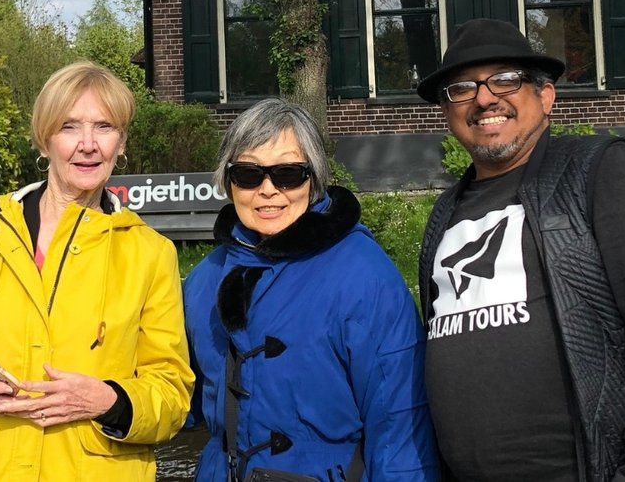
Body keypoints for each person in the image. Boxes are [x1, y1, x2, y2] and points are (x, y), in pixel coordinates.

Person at [413, 19, 625, 481]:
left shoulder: (601, 172)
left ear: (546, 97)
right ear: (447, 111)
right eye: (462, 88)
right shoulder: (445, 213)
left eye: (505, 79)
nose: (484, 98)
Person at [0, 61, 193, 481]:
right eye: (70, 127)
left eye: (105, 127)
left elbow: (172, 390)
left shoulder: (150, 252)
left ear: (122, 142)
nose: (88, 144)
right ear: (44, 141)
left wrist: (108, 400)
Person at [183, 98, 440, 482]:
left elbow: (400, 423)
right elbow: (176, 397)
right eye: (249, 175)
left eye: (288, 173)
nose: (268, 190)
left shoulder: (364, 276)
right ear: (228, 180)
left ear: (314, 178)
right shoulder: (205, 279)